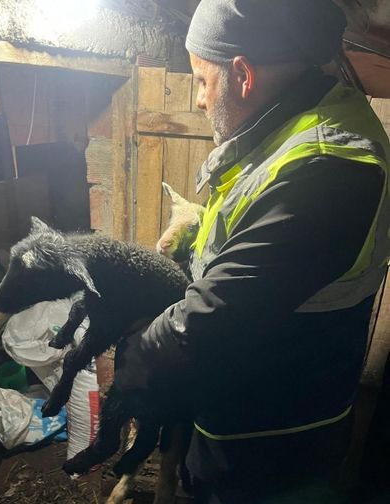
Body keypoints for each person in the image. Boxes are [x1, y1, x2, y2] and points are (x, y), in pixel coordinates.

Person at [109, 1, 390, 502]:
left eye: (201, 80)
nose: (199, 100)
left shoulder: (328, 166)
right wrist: (195, 228)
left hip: (273, 445)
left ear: (242, 75)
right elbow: (260, 238)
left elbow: (213, 318)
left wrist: (131, 363)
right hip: (236, 416)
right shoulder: (287, 130)